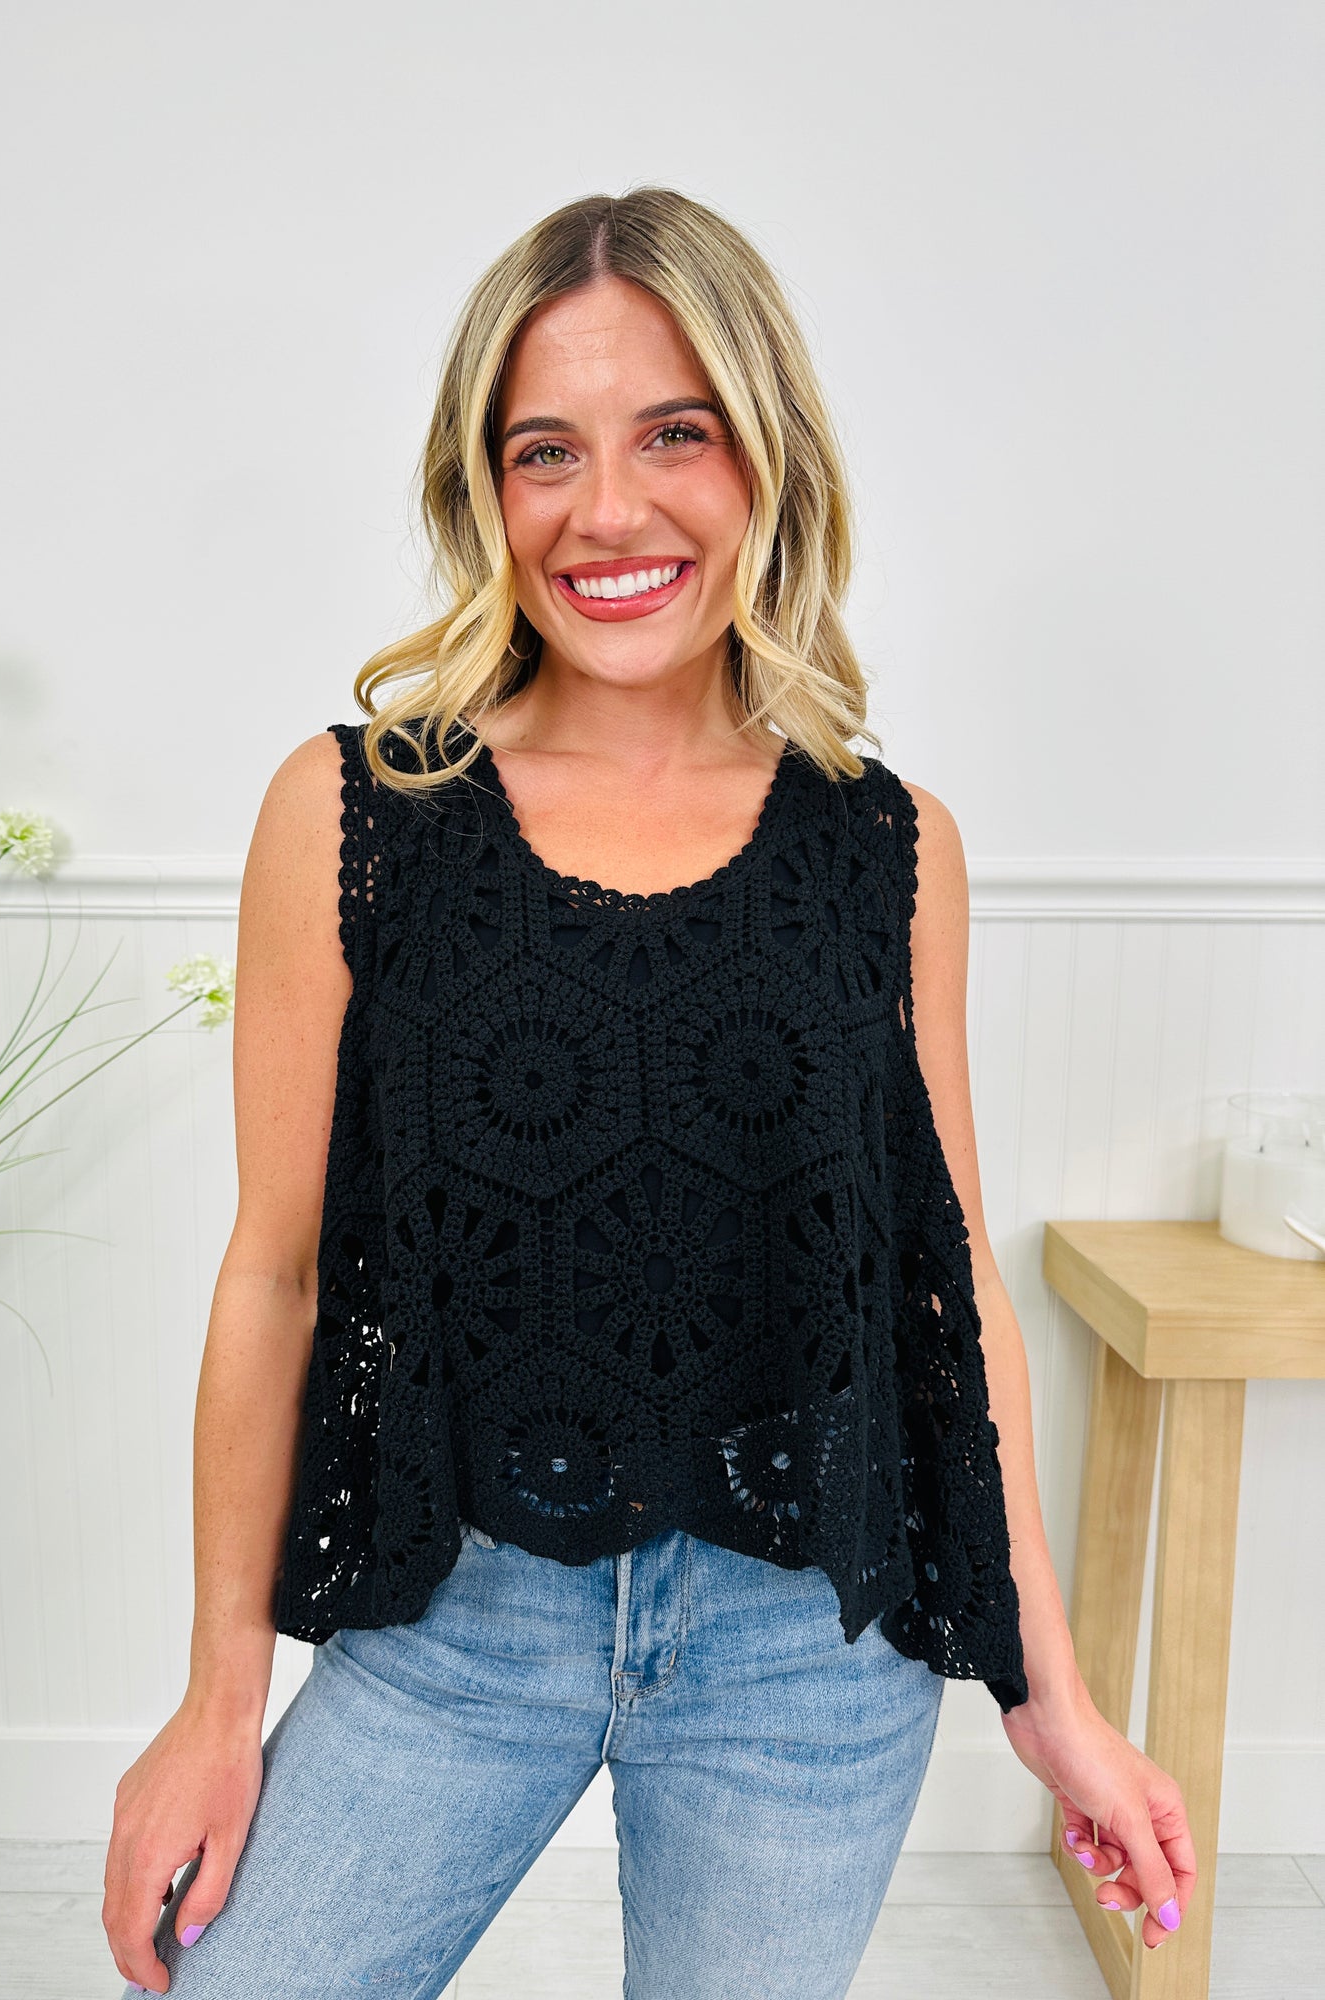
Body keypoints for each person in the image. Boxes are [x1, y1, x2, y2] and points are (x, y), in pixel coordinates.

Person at [103, 186, 1195, 1999]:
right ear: (487, 492)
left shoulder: (889, 847)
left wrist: (1052, 1693)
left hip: (803, 1664)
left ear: (767, 460)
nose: (607, 511)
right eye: (547, 451)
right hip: (454, 1628)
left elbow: (945, 1299)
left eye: (674, 434)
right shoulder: (358, 813)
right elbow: (274, 1277)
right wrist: (217, 1706)